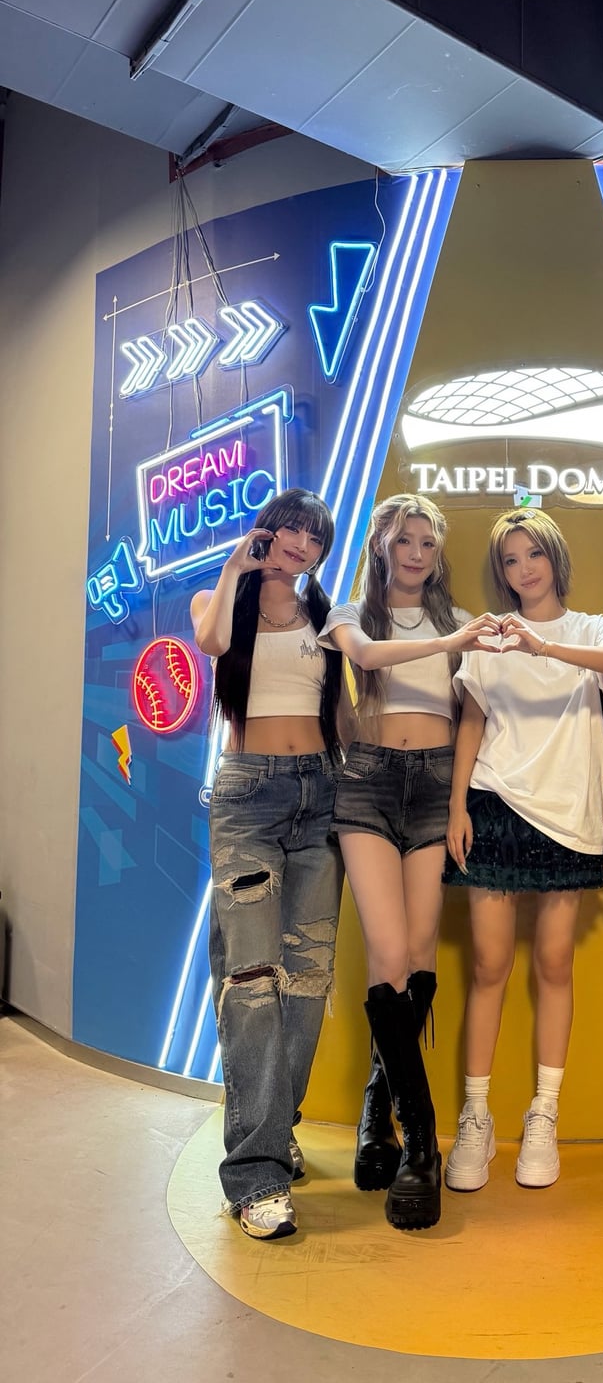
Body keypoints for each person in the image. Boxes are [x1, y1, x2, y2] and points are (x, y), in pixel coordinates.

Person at [318, 494, 500, 1231]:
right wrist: (450, 641)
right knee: (388, 951)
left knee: (418, 954)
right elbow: (364, 659)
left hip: (434, 785)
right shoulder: (352, 615)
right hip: (366, 779)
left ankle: (378, 1104)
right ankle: (422, 1142)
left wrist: (458, 803)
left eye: (428, 542)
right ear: (382, 546)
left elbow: (474, 712)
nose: (417, 553)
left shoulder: (459, 621)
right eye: (404, 540)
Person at [443, 508, 603, 1191]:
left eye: (534, 555)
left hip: (567, 817)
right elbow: (472, 721)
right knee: (489, 965)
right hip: (494, 802)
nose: (524, 569)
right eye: (511, 560)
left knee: (554, 963)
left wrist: (544, 646)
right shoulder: (488, 639)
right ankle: (475, 1117)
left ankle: (544, 1115)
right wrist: (457, 805)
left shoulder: (590, 630)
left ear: (555, 557)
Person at [191, 487, 346, 1242]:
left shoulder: (326, 616)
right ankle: (255, 1178)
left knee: (308, 983)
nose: (300, 544)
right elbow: (213, 643)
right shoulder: (221, 599)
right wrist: (234, 568)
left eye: (314, 538)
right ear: (266, 531)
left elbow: (343, 711)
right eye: (290, 529)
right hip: (248, 799)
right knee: (252, 983)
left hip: (320, 797)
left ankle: (277, 1127)